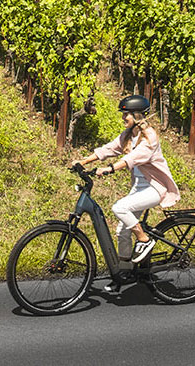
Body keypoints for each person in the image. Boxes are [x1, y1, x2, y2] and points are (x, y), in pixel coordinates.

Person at [72, 95, 180, 292]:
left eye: (126, 114)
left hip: (155, 188)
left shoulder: (150, 137)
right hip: (139, 188)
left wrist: (110, 169)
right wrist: (84, 161)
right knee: (122, 230)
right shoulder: (129, 135)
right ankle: (123, 273)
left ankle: (144, 240)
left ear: (137, 115)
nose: (123, 118)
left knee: (119, 208)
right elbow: (109, 149)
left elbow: (133, 158)